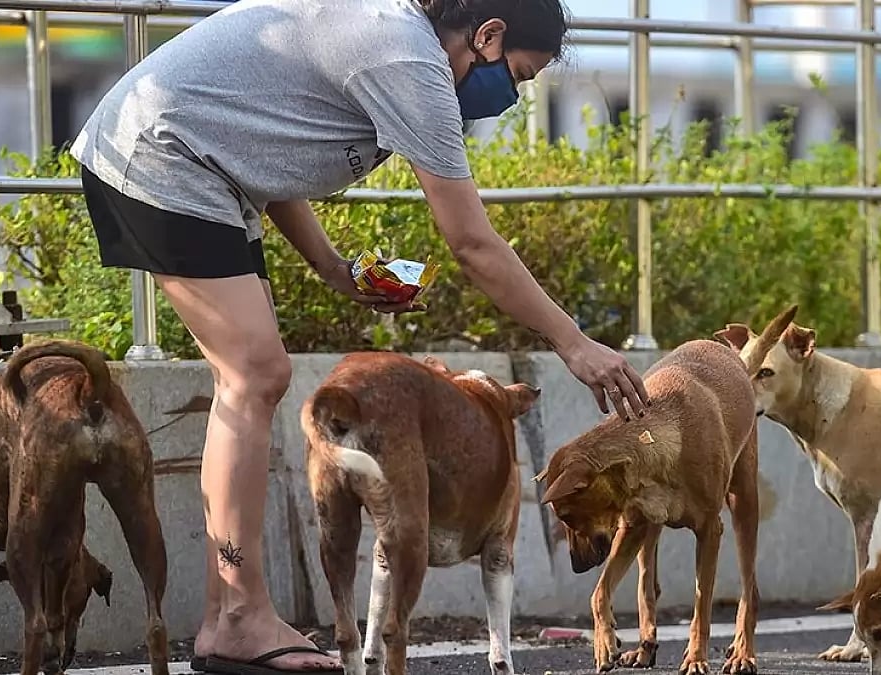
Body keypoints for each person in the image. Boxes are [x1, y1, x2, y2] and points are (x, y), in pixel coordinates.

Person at [68, 0, 652, 673]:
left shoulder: (393, 39)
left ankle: (225, 617)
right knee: (255, 373)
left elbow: (263, 145)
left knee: (251, 376)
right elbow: (472, 242)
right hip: (163, 151)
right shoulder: (412, 61)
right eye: (518, 76)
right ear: (488, 35)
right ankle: (237, 617)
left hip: (198, 158)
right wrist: (573, 342)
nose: (511, 96)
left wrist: (334, 268)